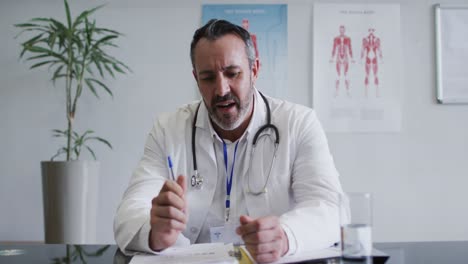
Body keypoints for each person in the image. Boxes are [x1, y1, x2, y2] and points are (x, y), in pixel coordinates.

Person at [114, 19, 347, 263]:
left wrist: (285, 236)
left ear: (254, 70)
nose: (222, 89)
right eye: (208, 78)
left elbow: (331, 209)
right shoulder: (168, 129)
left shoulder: (299, 123)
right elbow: (129, 213)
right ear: (196, 78)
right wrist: (154, 232)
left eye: (233, 73)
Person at [330, 25, 354, 97]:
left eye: (343, 30)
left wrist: (352, 58)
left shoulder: (348, 38)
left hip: (346, 57)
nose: (342, 31)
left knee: (346, 75)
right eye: (340, 30)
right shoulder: (336, 39)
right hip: (338, 58)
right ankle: (336, 91)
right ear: (339, 30)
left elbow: (350, 48)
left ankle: (348, 91)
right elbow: (334, 48)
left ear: (344, 30)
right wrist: (332, 58)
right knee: (337, 75)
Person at [361, 28, 383, 97]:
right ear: (368, 31)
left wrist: (381, 58)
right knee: (367, 75)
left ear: (374, 31)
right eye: (370, 30)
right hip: (368, 59)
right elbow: (362, 49)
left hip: (374, 59)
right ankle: (366, 93)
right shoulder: (365, 39)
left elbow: (379, 49)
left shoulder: (377, 39)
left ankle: (377, 93)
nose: (371, 32)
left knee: (375, 75)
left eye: (372, 30)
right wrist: (361, 58)